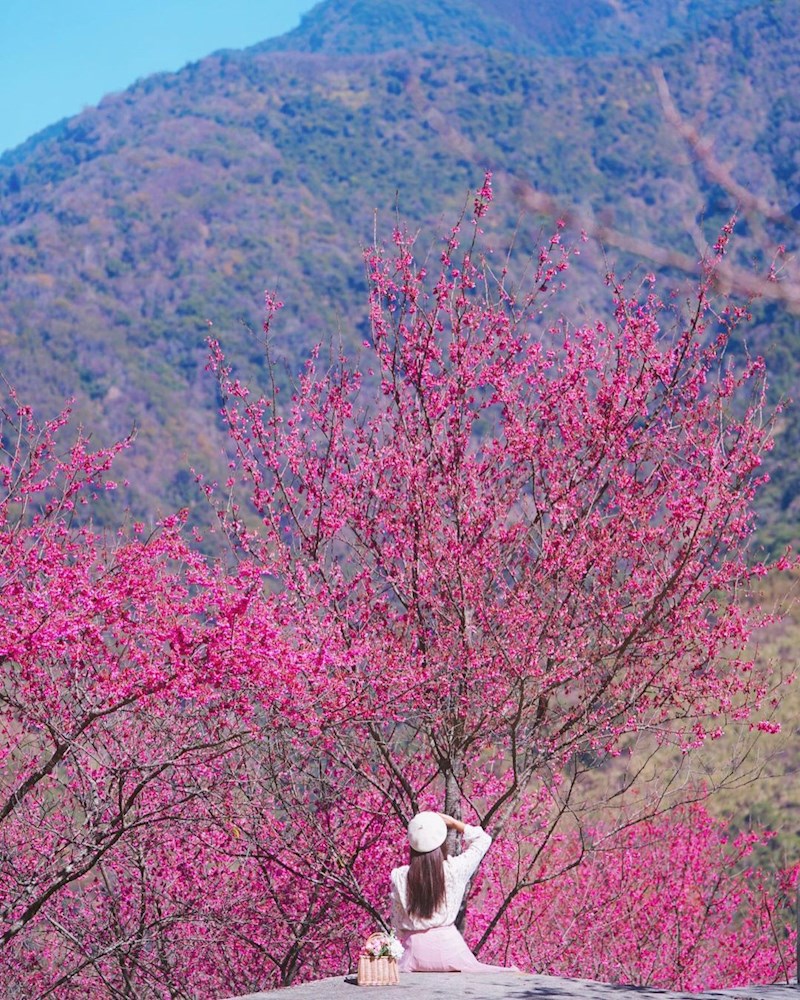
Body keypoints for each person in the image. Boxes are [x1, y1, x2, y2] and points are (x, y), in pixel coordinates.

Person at [390, 810, 512, 973]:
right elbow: (483, 840)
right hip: (451, 951)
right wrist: (454, 823)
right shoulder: (454, 870)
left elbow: (397, 922)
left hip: (413, 953)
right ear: (442, 843)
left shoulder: (400, 876)